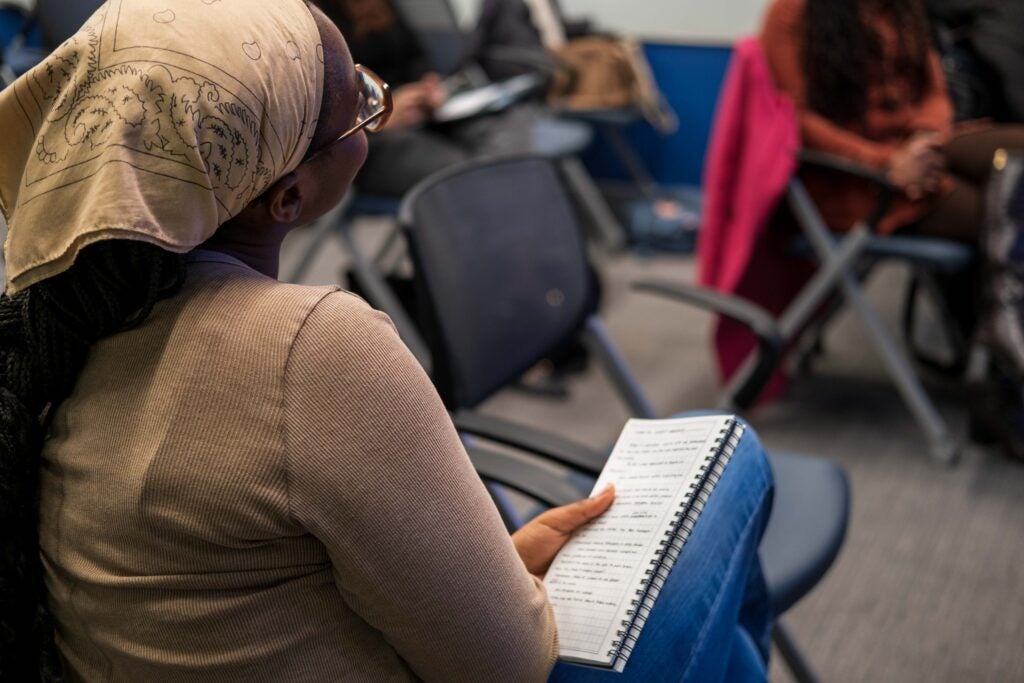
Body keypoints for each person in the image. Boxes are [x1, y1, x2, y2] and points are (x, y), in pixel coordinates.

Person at [0, 0, 773, 680]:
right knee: (732, 454)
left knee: (725, 652)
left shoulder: (55, 322)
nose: (373, 111)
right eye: (360, 107)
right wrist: (520, 598)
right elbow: (511, 666)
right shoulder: (309, 349)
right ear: (289, 195)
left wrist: (498, 570)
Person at [761, 0, 1024, 456]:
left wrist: (925, 138)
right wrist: (886, 162)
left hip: (922, 153)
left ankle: (999, 360)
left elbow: (935, 89)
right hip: (856, 183)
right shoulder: (793, 13)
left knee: (1015, 172)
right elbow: (795, 121)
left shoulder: (903, 8)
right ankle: (998, 374)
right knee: (1001, 211)